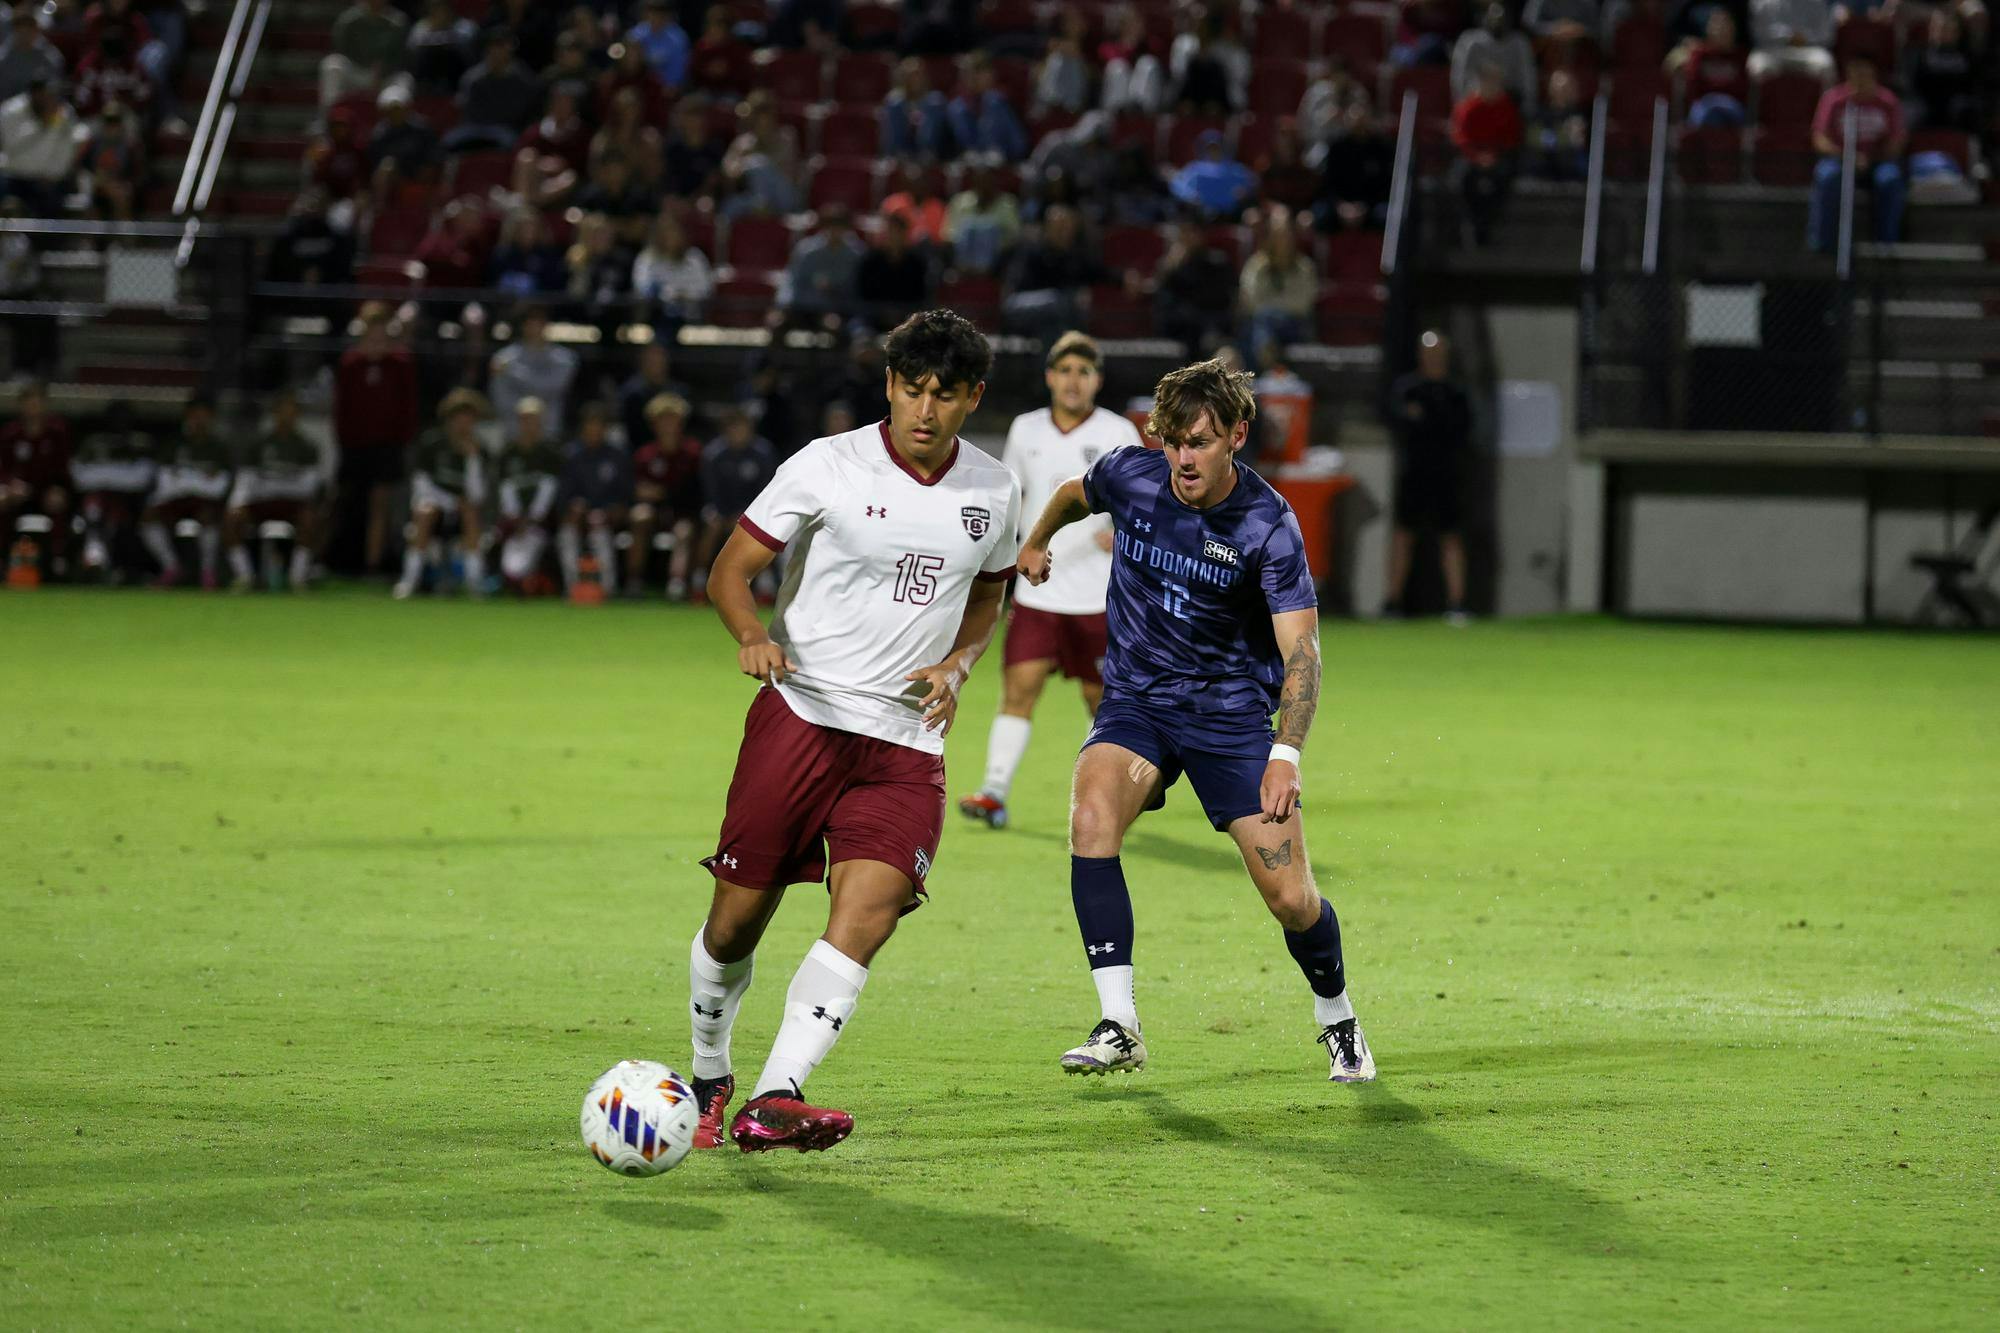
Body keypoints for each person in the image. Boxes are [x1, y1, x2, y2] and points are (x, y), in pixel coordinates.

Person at [679, 308, 1019, 1153]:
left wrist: (961, 664)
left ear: (973, 397)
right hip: (803, 718)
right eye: (912, 389)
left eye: (944, 394)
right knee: (733, 926)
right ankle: (711, 1067)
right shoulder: (827, 464)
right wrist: (753, 637)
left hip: (905, 745)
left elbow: (990, 589)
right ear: (890, 386)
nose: (925, 410)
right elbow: (730, 569)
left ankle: (773, 1093)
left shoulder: (993, 489)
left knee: (872, 908)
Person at [1012, 357, 1375, 1084]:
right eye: (1173, 438)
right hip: (1138, 704)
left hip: (1230, 716)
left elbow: (1302, 651)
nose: (1183, 455)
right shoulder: (1130, 474)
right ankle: (1120, 1023)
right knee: (1090, 817)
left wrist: (1286, 753)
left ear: (1237, 435)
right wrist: (1036, 540)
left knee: (1290, 896)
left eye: (1201, 441)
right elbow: (1071, 493)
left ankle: (1337, 1017)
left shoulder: (1268, 524)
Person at [959, 331, 1141, 829]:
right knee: (1018, 689)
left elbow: (1146, 504)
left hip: (1100, 596)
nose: (1073, 381)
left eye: (1083, 372)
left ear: (1097, 380)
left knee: (1102, 702)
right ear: (1049, 378)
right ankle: (994, 790)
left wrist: (1122, 534)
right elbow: (1010, 498)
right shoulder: (1026, 430)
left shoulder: (1119, 432)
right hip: (1037, 591)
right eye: (1065, 371)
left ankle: (1112, 796)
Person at [1386, 330, 1472, 621]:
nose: (1433, 359)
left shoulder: (1456, 391)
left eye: (1438, 354)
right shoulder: (1407, 388)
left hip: (1447, 474)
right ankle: (1393, 603)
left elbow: (1460, 429)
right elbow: (1399, 420)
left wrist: (1426, 418)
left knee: (1451, 537)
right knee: (1403, 535)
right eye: (1428, 354)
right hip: (1414, 473)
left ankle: (1457, 604)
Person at [333, 301, 417, 575]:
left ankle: (373, 564)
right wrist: (344, 439)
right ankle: (339, 560)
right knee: (347, 501)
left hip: (387, 445)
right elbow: (341, 407)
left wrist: (401, 440)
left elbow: (408, 406)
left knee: (380, 504)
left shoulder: (400, 363)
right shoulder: (350, 363)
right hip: (354, 445)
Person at [223, 386, 325, 592]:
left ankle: (298, 578)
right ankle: (244, 577)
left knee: (310, 518)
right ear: (274, 414)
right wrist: (236, 503)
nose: (286, 417)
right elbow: (246, 481)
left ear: (297, 415)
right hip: (261, 501)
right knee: (232, 518)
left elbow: (308, 486)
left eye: (291, 412)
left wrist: (272, 481)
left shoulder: (306, 447)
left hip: (292, 503)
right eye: (282, 412)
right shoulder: (259, 444)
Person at [395, 387, 489, 599]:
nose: (463, 423)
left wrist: (472, 460)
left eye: (469, 418)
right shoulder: (432, 444)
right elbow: (421, 484)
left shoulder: (479, 449)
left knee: (471, 513)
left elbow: (477, 495)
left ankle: (475, 585)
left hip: (462, 513)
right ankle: (408, 581)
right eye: (459, 417)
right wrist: (447, 501)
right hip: (434, 506)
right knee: (424, 512)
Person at [1807, 55, 1904, 252]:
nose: (1861, 80)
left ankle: (1886, 244)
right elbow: (1820, 139)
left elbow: (1897, 140)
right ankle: (1823, 244)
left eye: (1866, 75)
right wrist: (1847, 156)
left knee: (1890, 179)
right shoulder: (1834, 99)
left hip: (1877, 160)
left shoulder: (1888, 101)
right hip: (1840, 159)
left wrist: (1873, 157)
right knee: (1827, 177)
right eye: (1856, 75)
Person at [139, 394, 233, 589]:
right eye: (195, 415)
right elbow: (164, 479)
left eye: (204, 415)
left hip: (205, 501)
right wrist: (197, 480)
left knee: (208, 515)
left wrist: (187, 480)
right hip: (176, 498)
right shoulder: (174, 444)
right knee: (149, 516)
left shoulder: (219, 447)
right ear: (187, 417)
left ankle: (208, 572)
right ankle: (171, 568)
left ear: (211, 418)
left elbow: (222, 484)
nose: (199, 420)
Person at [691, 405, 778, 600]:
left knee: (769, 528)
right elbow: (711, 492)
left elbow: (767, 491)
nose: (737, 431)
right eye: (733, 427)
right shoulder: (713, 455)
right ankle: (699, 579)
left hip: (755, 511)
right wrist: (727, 514)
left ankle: (765, 582)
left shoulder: (763, 453)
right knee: (711, 523)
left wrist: (744, 516)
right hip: (721, 511)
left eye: (741, 426)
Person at [70, 398, 154, 579]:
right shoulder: (94, 442)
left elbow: (142, 477)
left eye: (124, 418)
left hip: (132, 504)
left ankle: (124, 569)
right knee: (93, 503)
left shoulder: (140, 442)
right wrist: (118, 474)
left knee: (125, 518)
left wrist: (104, 475)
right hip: (96, 501)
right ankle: (94, 559)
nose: (119, 422)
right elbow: (79, 475)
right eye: (115, 418)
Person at [556, 400, 633, 597]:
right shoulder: (571, 456)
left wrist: (608, 511)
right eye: (590, 425)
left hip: (608, 518)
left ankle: (607, 588)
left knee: (599, 531)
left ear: (605, 429)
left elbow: (625, 494)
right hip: (578, 517)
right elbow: (563, 494)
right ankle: (572, 586)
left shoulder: (617, 456)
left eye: (598, 426)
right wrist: (574, 507)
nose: (594, 431)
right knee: (566, 533)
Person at [629, 391, 699, 599]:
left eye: (672, 419)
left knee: (684, 531)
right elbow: (638, 490)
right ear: (654, 424)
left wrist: (663, 492)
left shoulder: (693, 453)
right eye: (662, 420)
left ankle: (676, 584)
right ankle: (634, 581)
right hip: (654, 512)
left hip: (683, 512)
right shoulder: (645, 455)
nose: (667, 425)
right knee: (640, 516)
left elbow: (694, 491)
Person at [0, 378, 72, 575]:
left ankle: (58, 558)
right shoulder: (10, 434)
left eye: (37, 402)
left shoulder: (57, 432)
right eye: (29, 402)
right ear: (22, 405)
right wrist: (9, 487)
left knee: (57, 504)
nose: (33, 407)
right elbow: (4, 469)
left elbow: (63, 468)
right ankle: (3, 558)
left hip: (47, 491)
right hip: (19, 493)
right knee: (2, 502)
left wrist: (58, 488)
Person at [491, 396, 561, 592]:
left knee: (526, 559)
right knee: (511, 565)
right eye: (524, 419)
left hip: (542, 522)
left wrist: (533, 519)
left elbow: (549, 489)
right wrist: (515, 519)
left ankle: (537, 581)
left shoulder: (550, 453)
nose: (529, 424)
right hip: (513, 522)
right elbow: (505, 489)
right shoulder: (508, 453)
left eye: (533, 419)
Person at [1448, 63, 1521, 246]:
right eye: (1487, 81)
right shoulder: (1467, 108)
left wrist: (1493, 156)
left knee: (1503, 178)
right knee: (1461, 179)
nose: (1491, 86)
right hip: (1471, 157)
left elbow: (1512, 138)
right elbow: (1460, 139)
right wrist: (1477, 157)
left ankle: (1487, 225)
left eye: (1495, 82)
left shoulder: (1506, 107)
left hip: (1498, 156)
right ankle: (1468, 225)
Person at [1237, 205, 1316, 370]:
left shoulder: (1304, 267)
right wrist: (1277, 307)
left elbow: (1303, 303)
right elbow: (1250, 299)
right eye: (1278, 236)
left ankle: (1262, 377)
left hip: (1293, 326)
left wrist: (1273, 309)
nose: (1282, 241)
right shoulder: (1256, 265)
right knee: (1259, 326)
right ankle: (1271, 376)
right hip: (1262, 323)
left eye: (1286, 235)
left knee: (1264, 322)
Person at [0, 75, 87, 215]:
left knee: (50, 209)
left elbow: (66, 149)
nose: (46, 99)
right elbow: (11, 147)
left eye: (49, 94)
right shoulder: (11, 111)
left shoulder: (62, 113)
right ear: (32, 93)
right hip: (14, 177)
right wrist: (42, 125)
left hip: (47, 181)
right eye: (41, 94)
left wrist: (53, 175)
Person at [488, 303, 579, 435]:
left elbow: (548, 387)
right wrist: (527, 415)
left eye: (540, 322)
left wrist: (511, 371)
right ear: (523, 326)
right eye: (530, 322)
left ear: (547, 325)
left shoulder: (565, 359)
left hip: (549, 432)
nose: (535, 327)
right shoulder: (502, 357)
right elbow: (500, 399)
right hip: (513, 432)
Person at [1155, 218, 1238, 354]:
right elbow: (1164, 300)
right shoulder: (1171, 266)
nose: (1187, 237)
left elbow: (1220, 299)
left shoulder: (1217, 261)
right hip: (1180, 326)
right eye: (1183, 233)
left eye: (1191, 232)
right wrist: (1172, 268)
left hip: (1209, 323)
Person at [320, 0, 409, 112]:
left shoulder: (398, 21)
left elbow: (401, 55)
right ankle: (330, 115)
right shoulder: (349, 19)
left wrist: (384, 70)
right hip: (357, 72)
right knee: (332, 64)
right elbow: (339, 49)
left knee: (404, 78)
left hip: (384, 76)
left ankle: (400, 123)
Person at [854, 211, 929, 331]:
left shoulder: (917, 263)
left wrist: (900, 314)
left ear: (905, 234)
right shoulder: (870, 260)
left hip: (907, 317)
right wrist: (883, 312)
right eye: (890, 232)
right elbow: (863, 293)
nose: (894, 236)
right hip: (872, 316)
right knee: (859, 331)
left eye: (898, 232)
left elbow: (920, 295)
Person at [618, 340, 690, 450]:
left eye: (659, 359)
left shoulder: (679, 392)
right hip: (639, 449)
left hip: (674, 451)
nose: (656, 363)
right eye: (651, 360)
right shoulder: (632, 394)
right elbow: (630, 430)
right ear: (642, 363)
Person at [1746, 0, 1834, 82]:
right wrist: (1786, 37)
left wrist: (1805, 38)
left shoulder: (1816, 2)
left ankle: (1826, 99)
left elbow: (1826, 35)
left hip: (1807, 49)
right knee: (1757, 65)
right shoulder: (1762, 2)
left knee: (1825, 64)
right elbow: (1758, 33)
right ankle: (1755, 99)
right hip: (1773, 49)